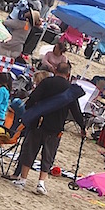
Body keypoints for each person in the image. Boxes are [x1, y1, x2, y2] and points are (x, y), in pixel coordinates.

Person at [12, 61, 87, 195]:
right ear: (68, 74)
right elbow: (76, 111)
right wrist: (82, 127)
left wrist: (30, 112)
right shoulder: (70, 90)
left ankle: (22, 179)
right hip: (56, 127)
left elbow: (33, 98)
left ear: (55, 70)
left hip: (39, 122)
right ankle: (41, 183)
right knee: (48, 154)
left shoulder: (47, 82)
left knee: (30, 150)